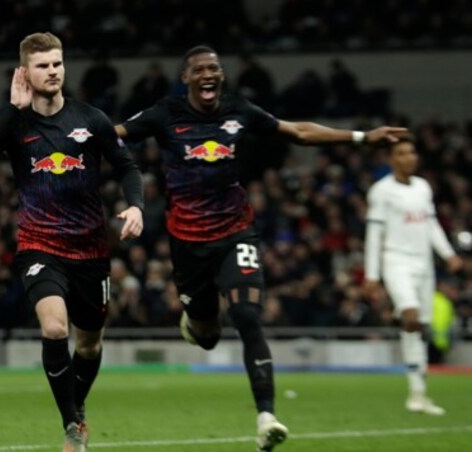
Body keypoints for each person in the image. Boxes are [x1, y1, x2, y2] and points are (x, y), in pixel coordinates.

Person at [115, 44, 408, 451]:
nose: (208, 74)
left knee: (248, 316)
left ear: (221, 76)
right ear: (186, 79)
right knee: (208, 335)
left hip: (237, 232)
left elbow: (299, 131)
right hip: (188, 244)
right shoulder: (165, 114)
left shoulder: (239, 110)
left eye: (214, 68)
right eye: (199, 69)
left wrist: (361, 137)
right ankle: (194, 319)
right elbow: (112, 134)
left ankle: (266, 417)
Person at [0, 32, 144, 452]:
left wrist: (135, 205)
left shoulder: (91, 119)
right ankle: (71, 426)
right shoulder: (17, 124)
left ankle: (76, 409)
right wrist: (12, 111)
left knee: (89, 343)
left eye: (57, 63)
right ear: (25, 72)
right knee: (54, 327)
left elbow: (127, 166)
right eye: (43, 65)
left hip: (91, 249)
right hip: (39, 244)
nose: (52, 71)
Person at [363, 137, 463, 416]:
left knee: (420, 328)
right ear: (392, 159)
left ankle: (418, 393)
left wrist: (448, 254)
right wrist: (372, 275)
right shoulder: (381, 191)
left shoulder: (422, 187)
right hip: (396, 262)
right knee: (410, 317)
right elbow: (374, 234)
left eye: (412, 153)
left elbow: (431, 224)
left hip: (424, 266)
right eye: (403, 153)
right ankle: (415, 392)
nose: (410, 158)